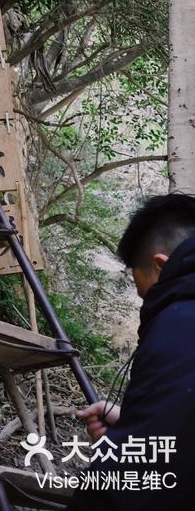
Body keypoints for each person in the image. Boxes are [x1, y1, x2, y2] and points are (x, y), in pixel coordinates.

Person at [68, 193, 195, 508]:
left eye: (146, 293)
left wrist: (127, 446)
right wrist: (134, 427)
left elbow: (139, 486)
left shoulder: (181, 319)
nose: (146, 305)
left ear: (161, 266)